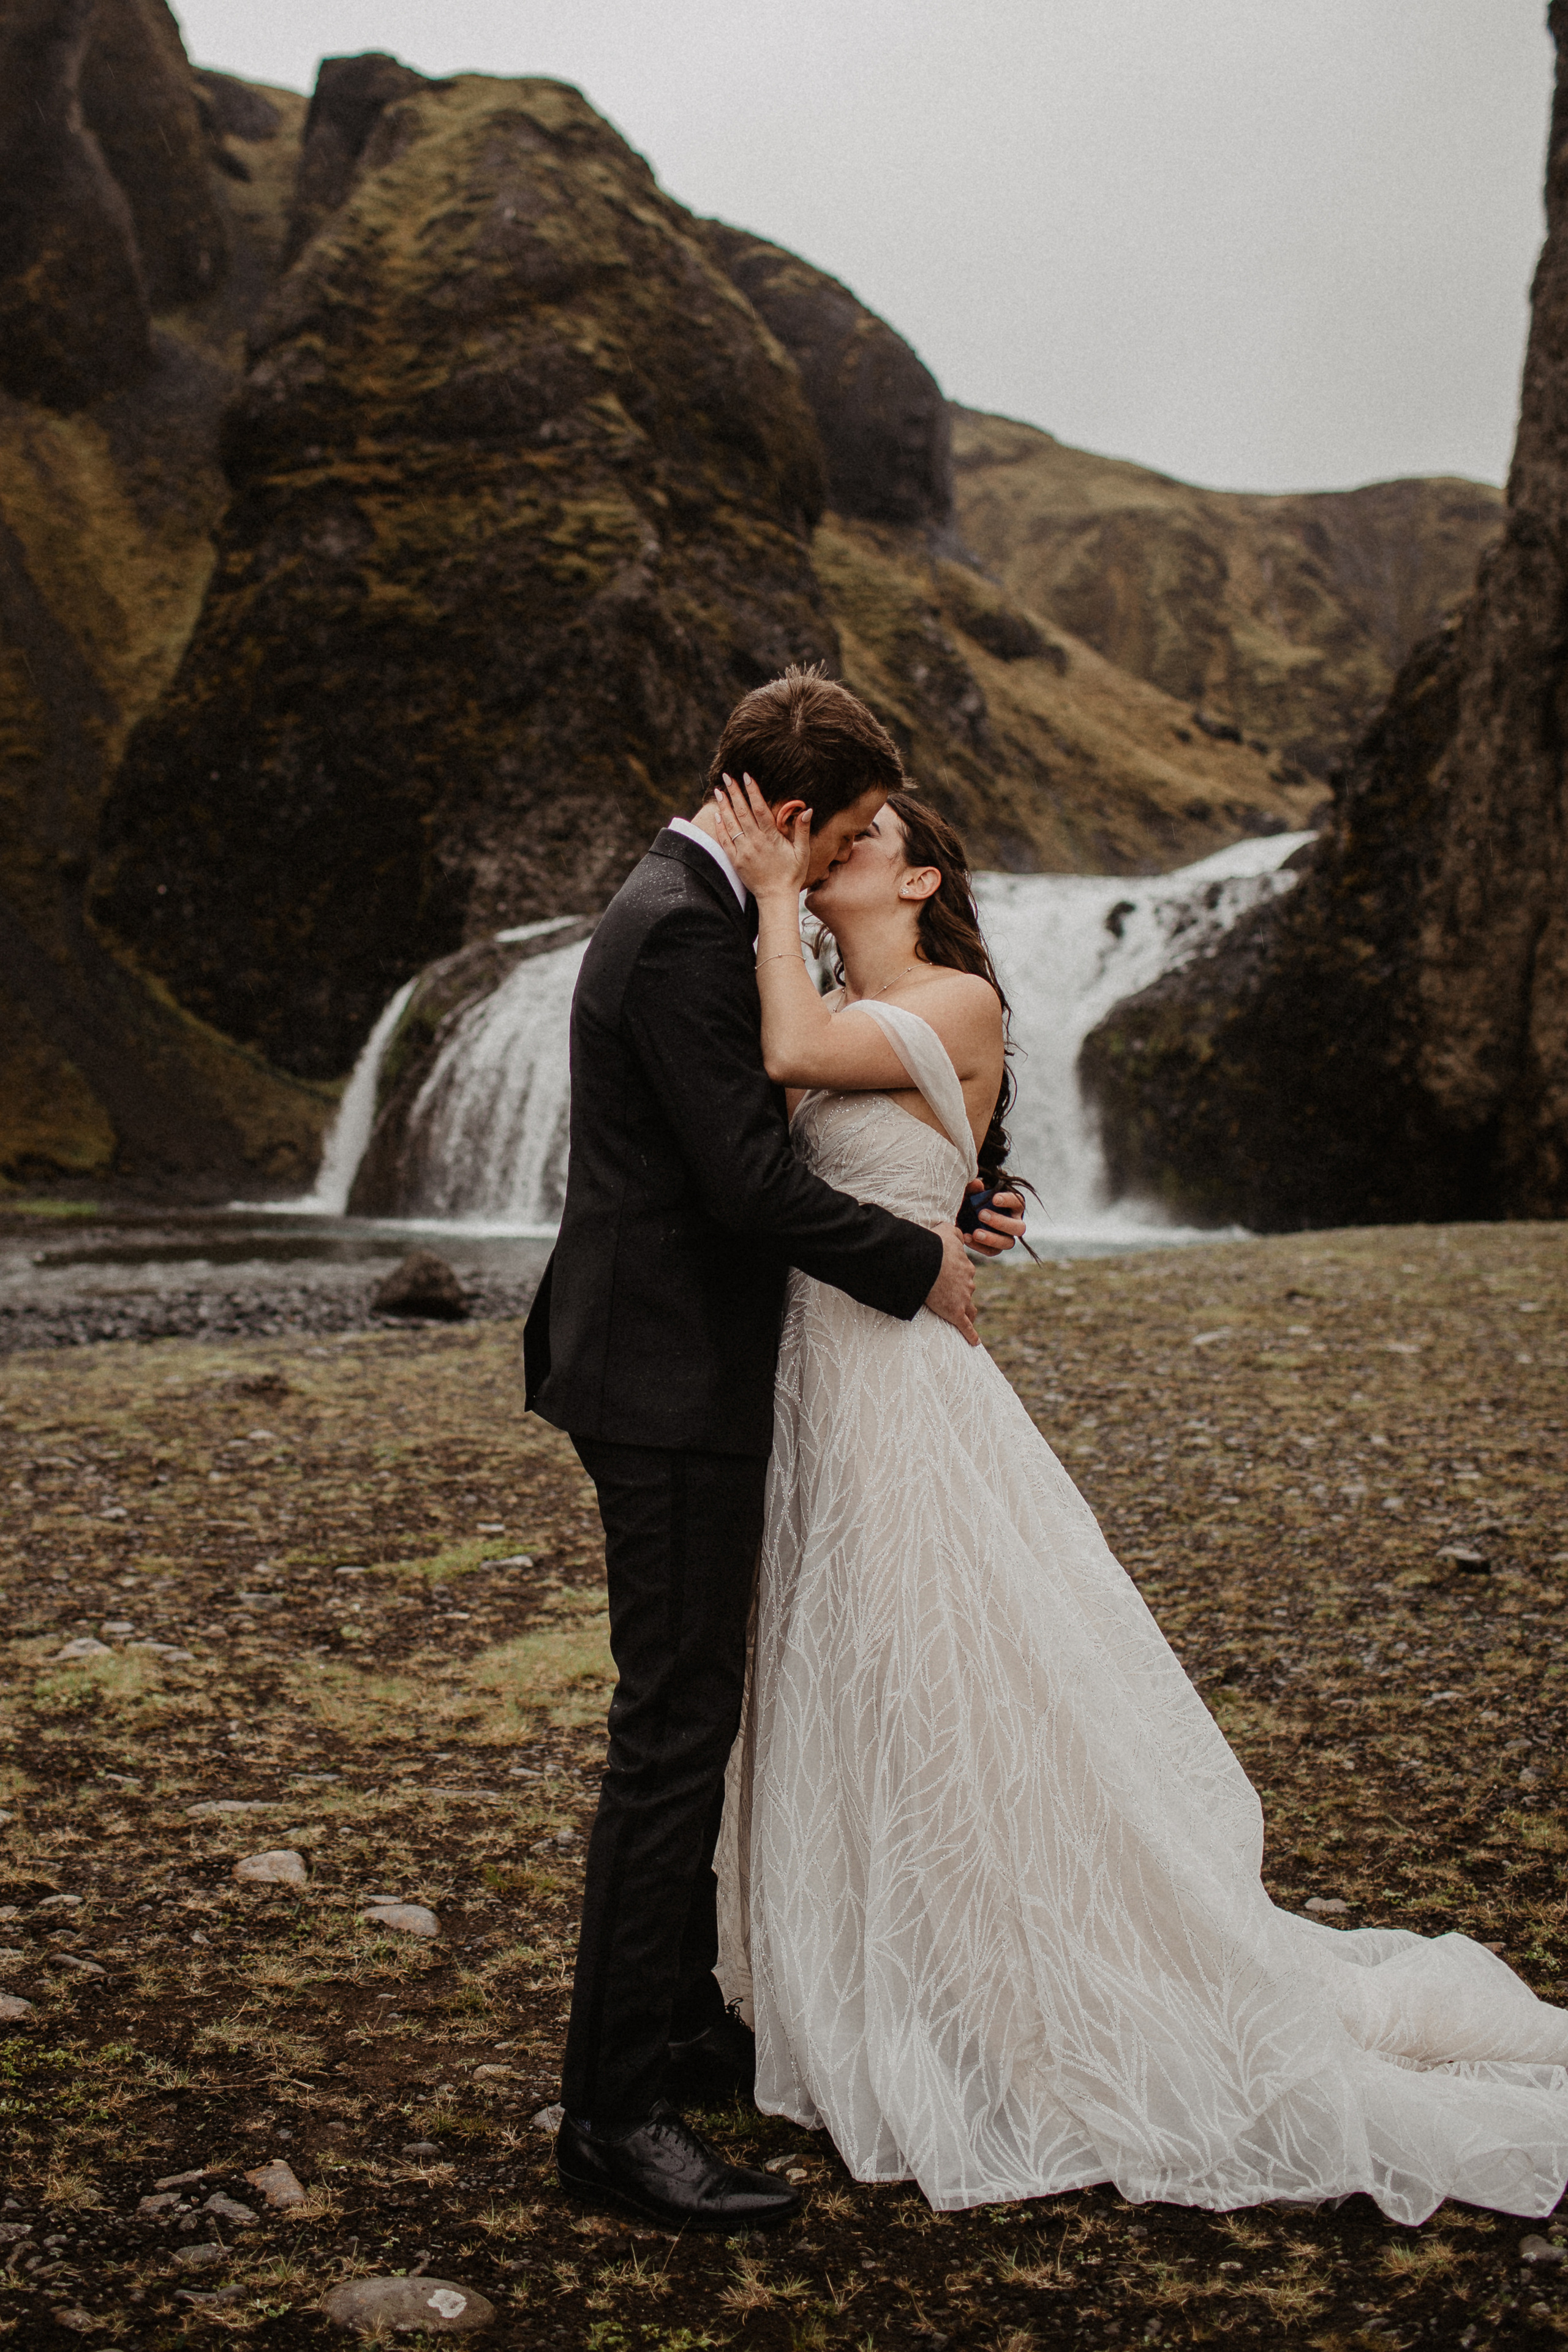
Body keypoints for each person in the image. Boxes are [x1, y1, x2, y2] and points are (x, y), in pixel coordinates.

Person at [709, 770, 1568, 2224]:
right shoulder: (860, 1000)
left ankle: (1003, 1992)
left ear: (918, 883)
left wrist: (770, 884)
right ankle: (898, 1960)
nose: (840, 851)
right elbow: (852, 1142)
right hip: (819, 1380)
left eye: (868, 843)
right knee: (853, 1680)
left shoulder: (958, 993)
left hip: (901, 1387)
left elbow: (793, 1049)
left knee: (947, 1675)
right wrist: (977, 1195)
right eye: (833, 838)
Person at [523, 666, 1026, 2232]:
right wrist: (912, 1263)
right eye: (855, 828)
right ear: (794, 820)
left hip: (693, 1367)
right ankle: (611, 2119)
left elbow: (869, 1096)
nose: (862, 851)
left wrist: (963, 1194)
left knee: (698, 1713)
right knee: (670, 1734)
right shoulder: (683, 923)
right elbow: (747, 1181)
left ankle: (678, 2024)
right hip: (664, 1378)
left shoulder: (697, 897)